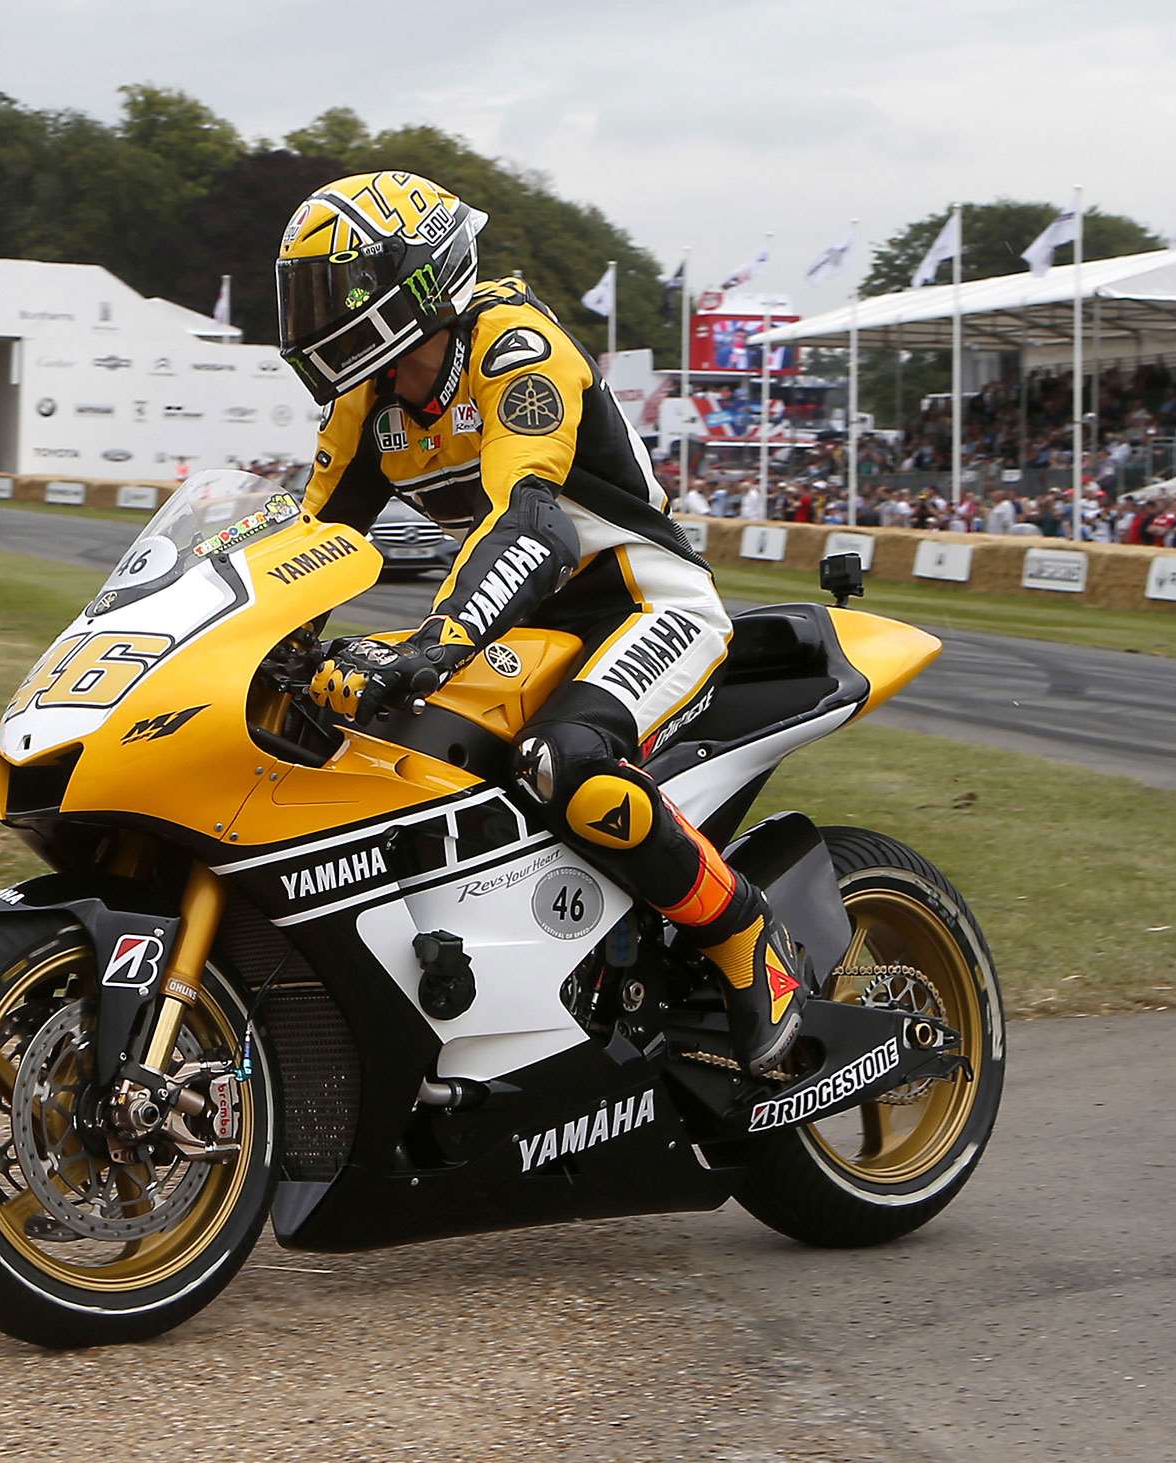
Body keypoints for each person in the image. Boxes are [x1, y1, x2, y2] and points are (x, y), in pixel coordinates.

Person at [275, 170, 802, 1071]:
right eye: (306, 294)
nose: (317, 312)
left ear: (413, 279)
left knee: (570, 766)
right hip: (521, 621)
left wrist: (435, 643)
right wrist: (268, 648)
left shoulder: (517, 347)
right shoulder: (367, 401)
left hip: (641, 599)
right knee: (376, 747)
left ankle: (748, 942)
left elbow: (533, 521)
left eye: (335, 289)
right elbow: (312, 538)